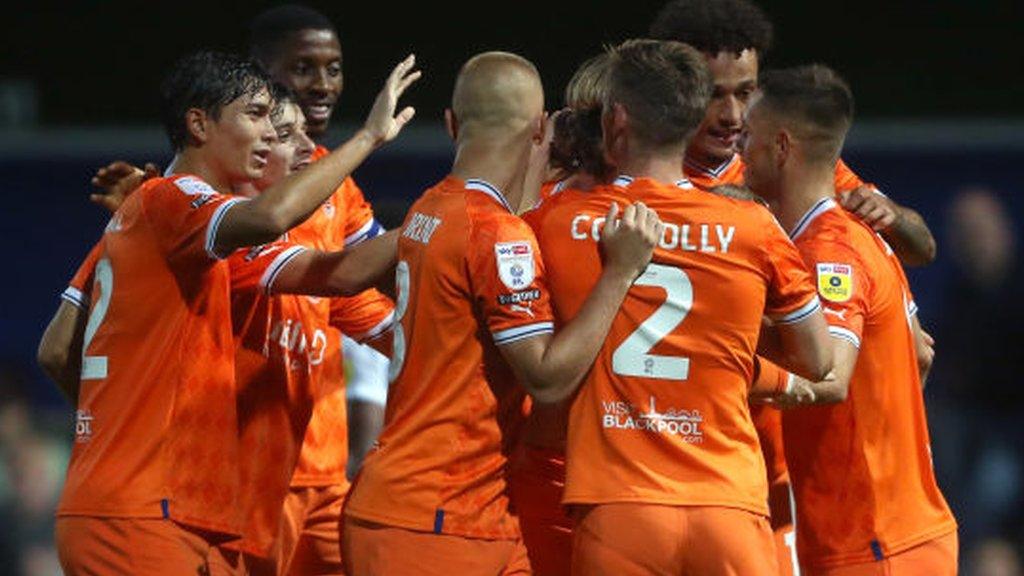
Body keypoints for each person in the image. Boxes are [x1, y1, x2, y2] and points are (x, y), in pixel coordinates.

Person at [36, 50, 418, 574]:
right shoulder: (174, 204)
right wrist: (375, 142)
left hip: (191, 508)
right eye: (259, 118)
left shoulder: (178, 222)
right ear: (199, 123)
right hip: (147, 507)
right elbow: (283, 225)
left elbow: (345, 279)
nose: (272, 137)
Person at [340, 51, 663, 576]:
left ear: (449, 123)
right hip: (434, 518)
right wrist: (619, 272)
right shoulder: (500, 235)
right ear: (540, 129)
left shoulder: (432, 208)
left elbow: (341, 274)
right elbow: (548, 378)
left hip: (467, 509)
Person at [525, 39, 832, 575]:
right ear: (693, 119)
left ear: (615, 118)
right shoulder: (754, 227)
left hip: (618, 508)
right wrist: (726, 341)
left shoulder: (559, 222)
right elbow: (818, 359)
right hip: (729, 505)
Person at [648, 4, 936, 570]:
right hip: (670, 455)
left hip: (775, 469)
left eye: (745, 92)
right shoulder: (644, 171)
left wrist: (892, 215)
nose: (732, 114)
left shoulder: (786, 168)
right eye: (715, 94)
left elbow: (921, 247)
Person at [741, 63, 957, 574]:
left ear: (781, 147)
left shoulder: (827, 252)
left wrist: (720, 348)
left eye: (748, 136)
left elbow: (832, 376)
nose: (738, 150)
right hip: (889, 532)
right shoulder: (862, 233)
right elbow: (919, 356)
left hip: (873, 538)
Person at [248, 9, 395, 570]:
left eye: (333, 68)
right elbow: (343, 274)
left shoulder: (338, 178)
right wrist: (445, 219)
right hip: (253, 469)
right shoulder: (232, 183)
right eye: (304, 68)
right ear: (259, 74)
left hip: (327, 470)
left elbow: (373, 284)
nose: (324, 85)